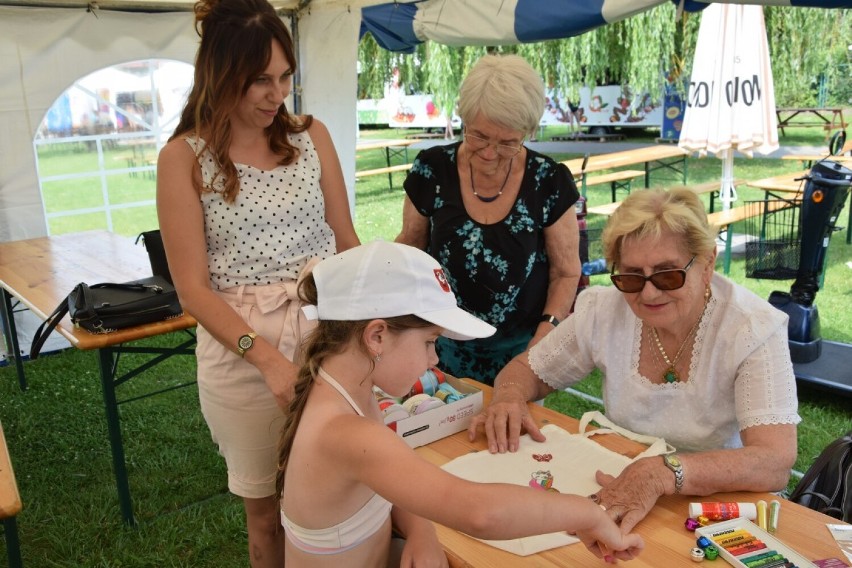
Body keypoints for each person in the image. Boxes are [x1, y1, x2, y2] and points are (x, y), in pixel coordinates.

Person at [276, 240, 644, 567]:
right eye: (428, 342)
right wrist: (587, 514)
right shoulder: (346, 432)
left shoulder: (343, 390)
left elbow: (385, 484)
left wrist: (421, 530)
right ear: (376, 336)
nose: (434, 359)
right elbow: (480, 513)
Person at [468, 187, 801, 534]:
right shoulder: (605, 309)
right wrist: (508, 396)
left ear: (707, 263)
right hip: (620, 484)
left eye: (668, 274)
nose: (648, 293)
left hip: (716, 509)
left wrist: (662, 471)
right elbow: (529, 370)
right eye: (630, 276)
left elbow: (773, 461)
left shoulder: (751, 327)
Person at [156, 0, 359, 565]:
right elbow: (193, 289)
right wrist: (265, 358)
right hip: (242, 347)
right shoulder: (184, 159)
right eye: (260, 81)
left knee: (349, 485)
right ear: (221, 78)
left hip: (329, 330)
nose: (278, 95)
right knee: (267, 517)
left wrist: (383, 317)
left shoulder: (311, 135)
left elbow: (346, 239)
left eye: (285, 76)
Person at [396, 54, 581, 385]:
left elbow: (566, 271)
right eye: (479, 136)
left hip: (523, 351)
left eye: (508, 142)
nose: (490, 153)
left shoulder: (548, 181)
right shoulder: (432, 170)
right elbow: (410, 248)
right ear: (463, 118)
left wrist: (543, 339)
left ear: (528, 132)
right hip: (440, 346)